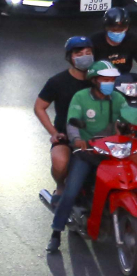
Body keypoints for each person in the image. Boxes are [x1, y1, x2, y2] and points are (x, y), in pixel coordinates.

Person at [40, 61, 137, 254]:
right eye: (105, 79)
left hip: (112, 151)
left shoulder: (117, 98)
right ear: (94, 80)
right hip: (87, 152)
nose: (109, 82)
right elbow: (72, 122)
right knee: (71, 190)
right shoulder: (81, 97)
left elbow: (128, 116)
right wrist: (77, 140)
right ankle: (56, 233)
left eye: (112, 79)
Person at [37, 36, 96, 186]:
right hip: (67, 136)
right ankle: (61, 186)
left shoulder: (99, 79)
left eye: (88, 53)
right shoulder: (57, 82)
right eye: (79, 54)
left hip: (98, 135)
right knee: (60, 163)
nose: (84, 57)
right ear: (70, 57)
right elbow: (39, 107)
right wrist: (54, 133)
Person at [94, 8, 134, 77]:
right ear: (106, 28)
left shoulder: (132, 40)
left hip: (124, 77)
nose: (117, 32)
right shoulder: (95, 41)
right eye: (113, 29)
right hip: (100, 77)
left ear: (127, 28)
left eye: (121, 29)